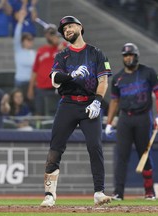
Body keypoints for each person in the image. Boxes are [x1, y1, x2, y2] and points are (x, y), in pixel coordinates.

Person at [40, 16, 112, 207]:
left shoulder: (96, 53)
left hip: (90, 103)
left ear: (80, 27)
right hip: (68, 103)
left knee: (95, 147)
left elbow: (103, 81)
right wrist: (72, 75)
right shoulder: (62, 55)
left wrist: (97, 102)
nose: (67, 30)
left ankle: (99, 192)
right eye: (64, 28)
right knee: (56, 147)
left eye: (70, 26)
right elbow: (54, 78)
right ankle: (49, 194)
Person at [105, 43, 158, 201]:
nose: (128, 58)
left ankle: (149, 191)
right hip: (125, 118)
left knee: (144, 154)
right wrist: (109, 122)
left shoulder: (148, 72)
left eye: (131, 55)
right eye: (125, 55)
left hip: (143, 117)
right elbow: (114, 102)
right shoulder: (118, 78)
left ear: (136, 56)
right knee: (121, 155)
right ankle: (118, 192)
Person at [27, 24, 66, 116]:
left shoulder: (63, 47)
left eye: (53, 33)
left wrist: (61, 45)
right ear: (46, 35)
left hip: (57, 87)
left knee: (58, 112)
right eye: (49, 34)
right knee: (39, 112)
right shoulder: (41, 51)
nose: (52, 36)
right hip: (41, 87)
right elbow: (35, 70)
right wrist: (30, 88)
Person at [13, 8, 36, 105]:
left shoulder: (34, 53)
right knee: (18, 104)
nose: (30, 41)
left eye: (31, 40)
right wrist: (20, 22)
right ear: (23, 42)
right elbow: (17, 35)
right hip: (20, 82)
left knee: (30, 104)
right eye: (27, 40)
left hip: (30, 83)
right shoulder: (18, 50)